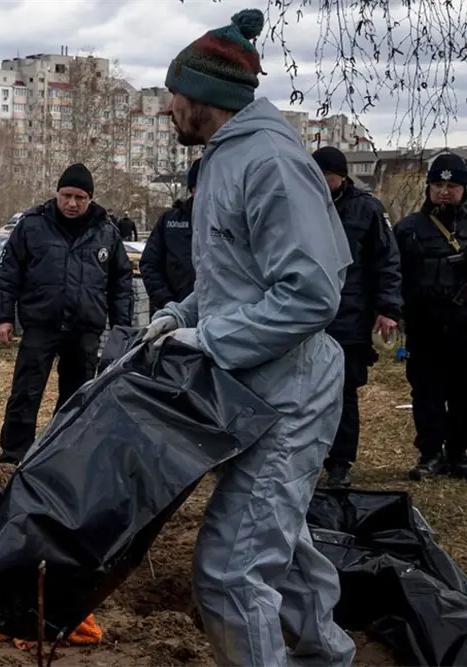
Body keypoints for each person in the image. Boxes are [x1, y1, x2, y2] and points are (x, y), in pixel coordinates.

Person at [144, 9, 357, 666]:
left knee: (230, 572)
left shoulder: (268, 162)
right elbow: (236, 277)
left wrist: (208, 342)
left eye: (170, 95)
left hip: (290, 393)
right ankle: (324, 653)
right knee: (280, 538)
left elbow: (311, 293)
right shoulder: (224, 159)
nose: (166, 108)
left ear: (202, 97)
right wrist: (180, 314)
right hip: (254, 387)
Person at [0, 163, 134, 464]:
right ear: (57, 193)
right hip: (41, 323)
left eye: (80, 197)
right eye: (66, 195)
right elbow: (9, 273)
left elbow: (121, 283)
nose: (72, 203)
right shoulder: (32, 225)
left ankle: (64, 454)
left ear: (90, 199)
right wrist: (3, 317)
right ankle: (14, 455)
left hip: (85, 328)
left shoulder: (106, 232)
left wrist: (123, 329)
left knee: (77, 396)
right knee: (26, 392)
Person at [312, 146, 403, 488]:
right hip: (306, 318)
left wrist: (389, 308)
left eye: (328, 179)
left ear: (341, 177)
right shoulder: (300, 206)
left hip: (349, 317)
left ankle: (340, 463)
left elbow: (387, 262)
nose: (321, 184)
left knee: (343, 392)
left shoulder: (366, 209)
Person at [394, 153, 467, 481]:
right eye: (438, 184)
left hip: (465, 327)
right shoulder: (408, 229)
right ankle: (430, 454)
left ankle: (458, 454)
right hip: (425, 326)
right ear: (428, 187)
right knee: (426, 393)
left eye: (452, 185)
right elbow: (392, 275)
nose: (444, 191)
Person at [141, 158, 200, 315]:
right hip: (172, 311)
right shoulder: (169, 221)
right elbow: (149, 264)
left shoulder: (228, 221)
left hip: (216, 315)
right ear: (192, 188)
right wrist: (166, 302)